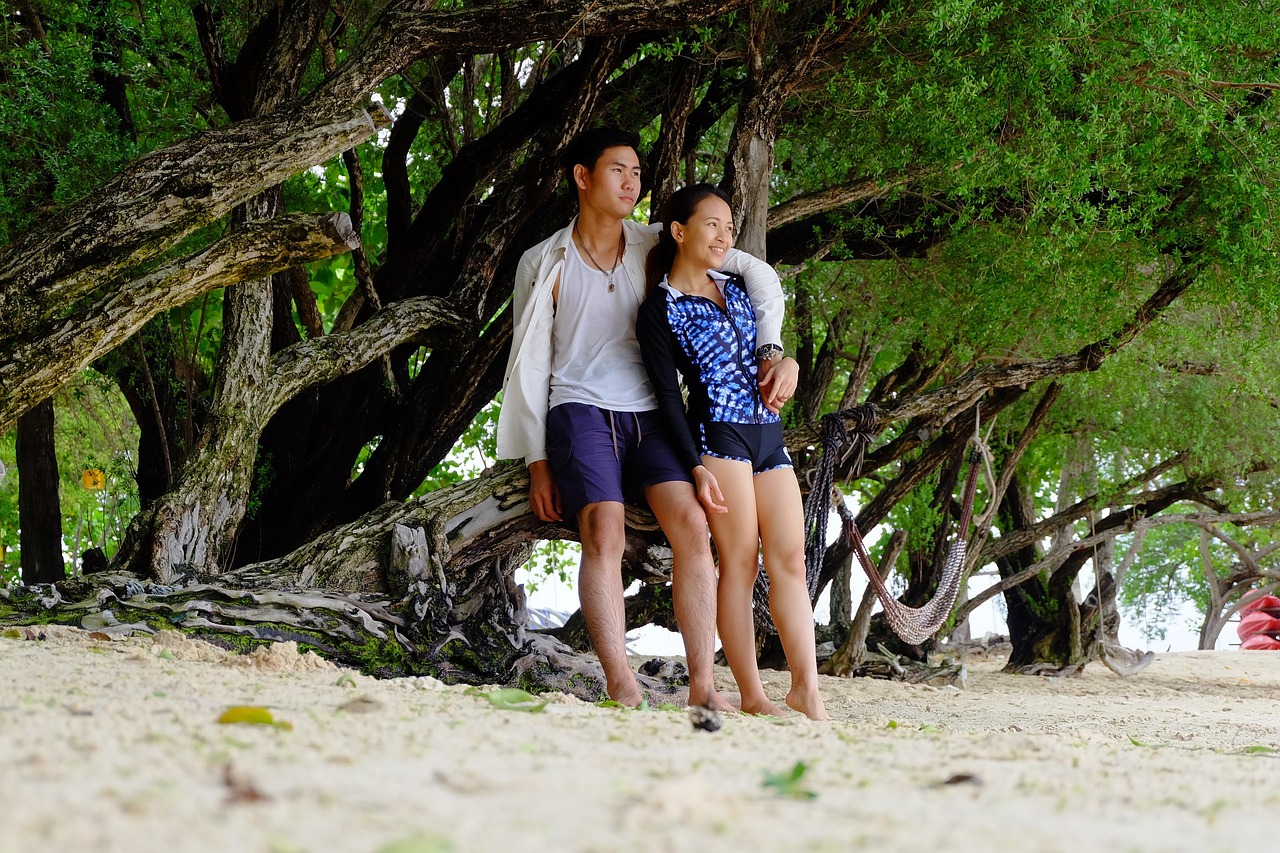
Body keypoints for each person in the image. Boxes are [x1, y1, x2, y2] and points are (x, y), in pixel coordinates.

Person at [496, 129, 798, 709]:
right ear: (582, 178)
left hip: (651, 412)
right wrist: (537, 461)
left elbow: (759, 275)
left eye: (637, 172)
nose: (632, 182)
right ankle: (622, 682)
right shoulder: (543, 261)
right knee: (602, 529)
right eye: (618, 170)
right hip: (578, 408)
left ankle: (702, 687)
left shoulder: (656, 242)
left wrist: (773, 348)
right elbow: (528, 361)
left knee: (694, 527)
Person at [636, 183, 829, 720]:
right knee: (739, 565)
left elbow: (770, 338)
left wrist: (786, 363)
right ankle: (752, 694)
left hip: (770, 433)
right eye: (711, 224)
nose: (723, 236)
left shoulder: (739, 283)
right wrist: (694, 468)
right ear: (679, 231)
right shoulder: (660, 308)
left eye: (729, 226)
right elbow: (667, 398)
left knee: (791, 559)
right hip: (717, 437)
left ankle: (806, 689)